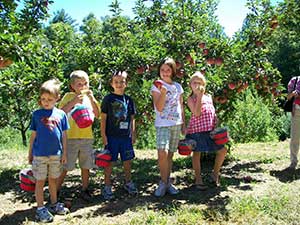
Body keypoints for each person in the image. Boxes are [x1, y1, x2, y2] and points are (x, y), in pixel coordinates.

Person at [28, 79, 70, 223]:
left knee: (53, 180)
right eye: (43, 99)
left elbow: (64, 135)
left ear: (57, 98)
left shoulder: (61, 115)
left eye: (49, 99)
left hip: (56, 155)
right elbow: (33, 135)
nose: (46, 102)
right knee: (40, 181)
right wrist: (30, 153)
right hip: (39, 155)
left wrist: (64, 153)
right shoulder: (36, 114)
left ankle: (53, 203)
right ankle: (40, 209)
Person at [57, 70, 100, 201]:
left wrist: (92, 99)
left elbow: (98, 114)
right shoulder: (68, 96)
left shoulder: (89, 98)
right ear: (72, 86)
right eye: (79, 84)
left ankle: (85, 189)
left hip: (87, 137)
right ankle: (56, 190)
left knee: (86, 165)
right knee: (66, 166)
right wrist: (74, 101)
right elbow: (60, 112)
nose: (82, 87)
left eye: (85, 83)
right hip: (70, 137)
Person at [186, 71, 227, 188]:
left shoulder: (209, 96)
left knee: (222, 151)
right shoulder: (190, 99)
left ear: (204, 85)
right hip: (196, 131)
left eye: (200, 82)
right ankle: (198, 180)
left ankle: (215, 174)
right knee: (197, 153)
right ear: (190, 85)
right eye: (195, 82)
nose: (197, 85)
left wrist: (216, 123)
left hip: (210, 130)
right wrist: (198, 97)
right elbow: (197, 113)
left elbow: (212, 111)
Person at [151, 57, 185, 197]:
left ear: (172, 71)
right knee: (162, 152)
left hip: (176, 123)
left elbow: (181, 106)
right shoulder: (156, 86)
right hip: (163, 124)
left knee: (170, 154)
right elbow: (159, 108)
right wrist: (163, 93)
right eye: (162, 70)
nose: (165, 72)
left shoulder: (178, 87)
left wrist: (184, 124)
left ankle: (167, 183)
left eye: (168, 70)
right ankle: (163, 182)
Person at [101, 71, 138, 200]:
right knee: (109, 161)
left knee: (127, 160)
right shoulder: (108, 99)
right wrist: (103, 135)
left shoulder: (129, 100)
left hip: (125, 137)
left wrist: (133, 133)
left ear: (126, 83)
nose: (119, 84)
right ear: (111, 84)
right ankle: (107, 186)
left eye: (122, 81)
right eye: (116, 82)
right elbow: (103, 118)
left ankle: (128, 182)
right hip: (111, 136)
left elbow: (132, 118)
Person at [287, 76, 300, 170]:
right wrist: (292, 94)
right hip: (297, 111)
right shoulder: (294, 80)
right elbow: (288, 97)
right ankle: (293, 161)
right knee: (295, 138)